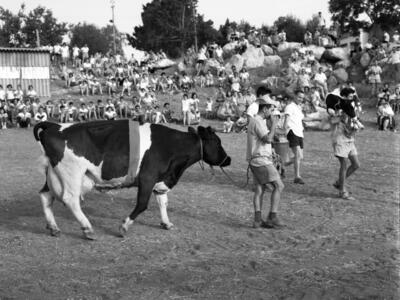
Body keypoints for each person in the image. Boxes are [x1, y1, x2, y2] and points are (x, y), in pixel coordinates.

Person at [246, 86, 285, 229]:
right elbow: (267, 139)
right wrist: (274, 125)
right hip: (261, 160)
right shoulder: (258, 121)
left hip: (256, 159)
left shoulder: (257, 121)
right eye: (271, 109)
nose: (272, 112)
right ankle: (272, 216)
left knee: (260, 189)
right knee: (279, 185)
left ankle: (257, 220)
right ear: (265, 108)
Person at [284, 90, 305, 184]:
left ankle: (282, 164)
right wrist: (284, 131)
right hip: (292, 131)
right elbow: (287, 119)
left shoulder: (299, 107)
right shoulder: (289, 107)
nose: (301, 99)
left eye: (302, 98)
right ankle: (297, 176)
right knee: (297, 154)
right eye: (299, 97)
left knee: (300, 156)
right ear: (294, 96)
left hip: (299, 132)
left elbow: (302, 119)